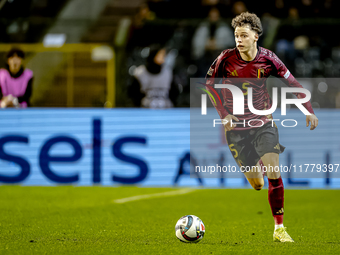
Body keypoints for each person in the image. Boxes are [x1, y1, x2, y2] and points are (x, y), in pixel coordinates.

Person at [205, 12, 319, 242]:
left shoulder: (269, 59)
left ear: (256, 36)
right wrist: (224, 114)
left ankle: (279, 228)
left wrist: (309, 110)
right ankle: (259, 161)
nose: (239, 40)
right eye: (236, 35)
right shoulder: (224, 60)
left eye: (244, 35)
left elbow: (292, 83)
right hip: (236, 129)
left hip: (262, 122)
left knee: (274, 172)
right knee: (257, 184)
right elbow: (208, 85)